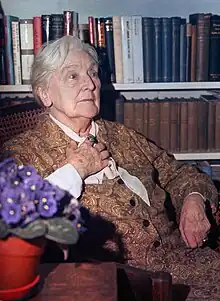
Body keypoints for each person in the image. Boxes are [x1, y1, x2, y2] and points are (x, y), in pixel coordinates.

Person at [1, 36, 220, 300]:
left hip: (192, 260)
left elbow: (177, 173)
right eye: (73, 76)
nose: (90, 83)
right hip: (125, 285)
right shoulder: (21, 154)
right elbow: (16, 223)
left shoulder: (121, 134)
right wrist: (76, 170)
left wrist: (195, 199)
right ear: (45, 93)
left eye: (93, 73)